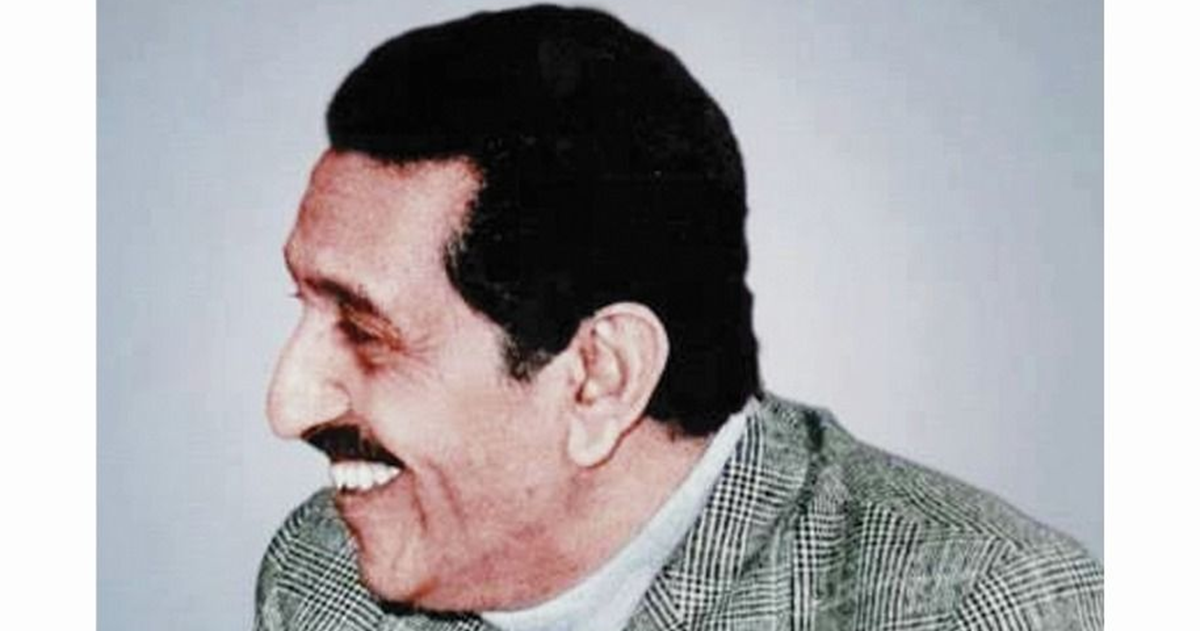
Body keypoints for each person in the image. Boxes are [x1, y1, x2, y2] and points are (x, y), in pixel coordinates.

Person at [255, 5, 1102, 630]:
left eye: (365, 330)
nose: (285, 405)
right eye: (306, 304)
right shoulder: (319, 578)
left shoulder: (987, 605)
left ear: (599, 376)